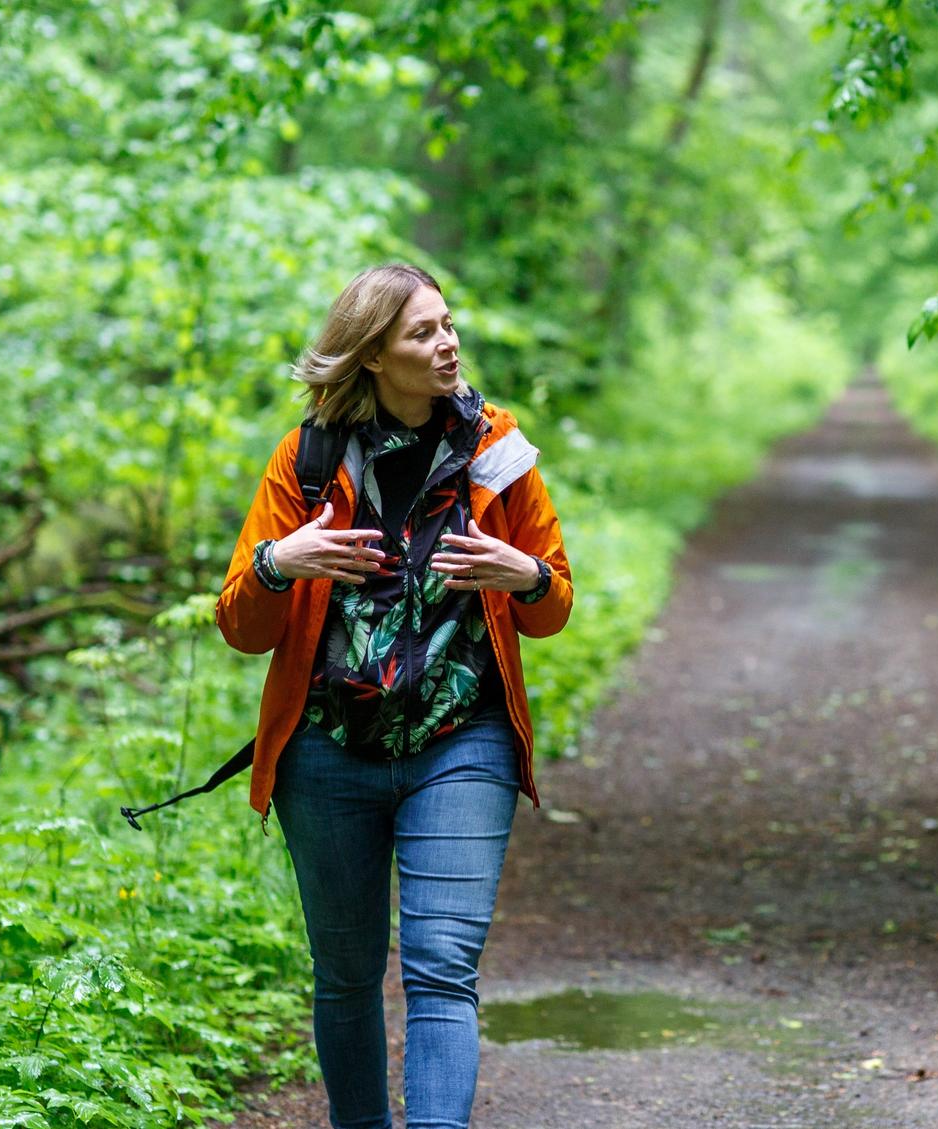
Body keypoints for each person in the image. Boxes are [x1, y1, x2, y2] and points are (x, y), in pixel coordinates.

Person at [215, 264, 573, 1129]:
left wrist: (524, 575)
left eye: (449, 325)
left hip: (463, 740)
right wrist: (279, 562)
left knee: (442, 963)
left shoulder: (497, 447)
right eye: (423, 333)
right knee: (345, 974)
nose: (447, 343)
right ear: (372, 354)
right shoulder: (306, 459)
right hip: (327, 749)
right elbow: (240, 622)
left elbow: (553, 603)